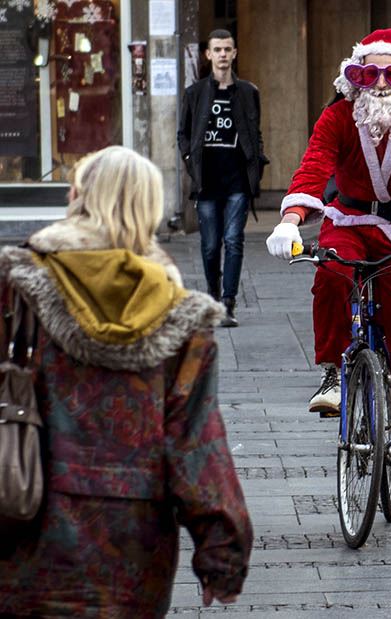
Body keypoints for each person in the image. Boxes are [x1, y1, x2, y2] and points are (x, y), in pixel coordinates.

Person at [0, 146, 252, 615]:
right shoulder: (180, 318)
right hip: (132, 553)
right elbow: (197, 445)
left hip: (23, 527)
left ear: (75, 196)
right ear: (150, 211)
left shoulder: (17, 286)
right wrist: (223, 555)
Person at [265, 28, 391, 501]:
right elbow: (315, 163)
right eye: (370, 73)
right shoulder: (338, 113)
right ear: (356, 76)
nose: (381, 84)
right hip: (349, 220)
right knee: (331, 274)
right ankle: (332, 371)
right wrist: (291, 220)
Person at [178, 29, 268, 328]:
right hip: (206, 183)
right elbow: (183, 135)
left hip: (237, 181)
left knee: (233, 240)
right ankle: (213, 298)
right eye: (217, 50)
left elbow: (255, 134)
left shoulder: (247, 92)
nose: (222, 55)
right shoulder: (195, 93)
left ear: (234, 53)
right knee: (209, 245)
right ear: (209, 54)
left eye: (227, 49)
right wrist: (191, 163)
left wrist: (256, 161)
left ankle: (228, 304)